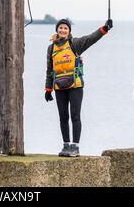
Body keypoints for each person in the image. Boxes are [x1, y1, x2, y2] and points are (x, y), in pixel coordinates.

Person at [44, 18, 113, 157]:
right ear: (57, 30)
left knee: (75, 116)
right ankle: (66, 146)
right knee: (63, 117)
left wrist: (104, 29)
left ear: (69, 31)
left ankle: (75, 147)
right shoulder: (51, 48)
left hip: (75, 86)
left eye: (65, 28)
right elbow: (49, 70)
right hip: (59, 87)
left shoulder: (74, 43)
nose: (63, 30)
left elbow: (91, 38)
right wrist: (48, 89)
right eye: (61, 28)